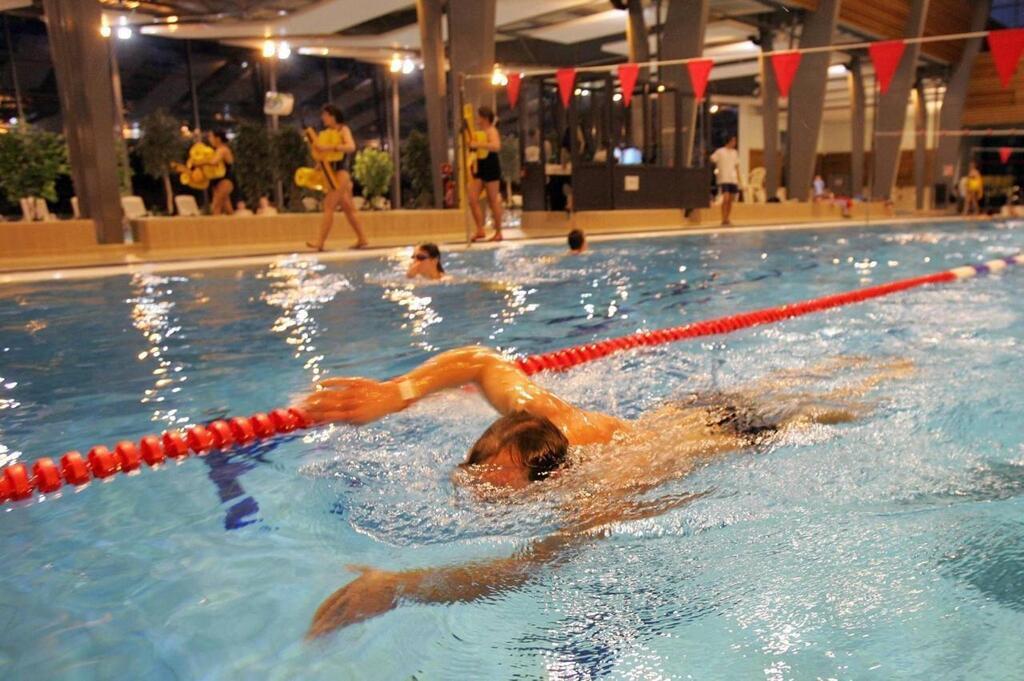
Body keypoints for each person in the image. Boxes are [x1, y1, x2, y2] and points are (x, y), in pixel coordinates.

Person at [300, 347, 913, 637]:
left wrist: (399, 588)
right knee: (793, 379)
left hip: (738, 439)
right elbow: (482, 361)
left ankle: (896, 374)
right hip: (687, 410)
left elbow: (519, 574)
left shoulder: (597, 494)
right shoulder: (538, 415)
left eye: (500, 490)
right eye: (475, 475)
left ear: (554, 480)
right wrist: (396, 393)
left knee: (836, 407)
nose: (479, 494)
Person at [307, 104, 369, 251]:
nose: (323, 118)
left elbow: (351, 146)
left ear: (333, 116)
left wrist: (329, 148)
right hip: (331, 172)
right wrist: (318, 167)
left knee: (328, 206)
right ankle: (362, 238)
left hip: (341, 172)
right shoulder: (327, 133)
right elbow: (324, 155)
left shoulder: (343, 130)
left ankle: (320, 242)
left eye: (325, 115)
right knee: (349, 208)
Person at [468, 106, 504, 242]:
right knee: (472, 198)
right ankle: (480, 229)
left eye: (478, 117)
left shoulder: (491, 131)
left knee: (492, 200)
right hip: (480, 165)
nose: (476, 119)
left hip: (491, 165)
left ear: (484, 118)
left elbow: (496, 146)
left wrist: (478, 144)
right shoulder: (481, 132)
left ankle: (499, 232)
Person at [710, 136, 741, 226]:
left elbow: (737, 166)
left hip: (733, 178)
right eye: (733, 141)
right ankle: (723, 218)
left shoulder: (735, 153)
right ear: (729, 141)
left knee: (730, 200)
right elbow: (712, 159)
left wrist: (739, 180)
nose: (735, 143)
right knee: (726, 198)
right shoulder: (720, 151)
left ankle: (727, 218)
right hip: (724, 178)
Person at [206, 129, 235, 216]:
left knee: (216, 206)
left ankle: (214, 228)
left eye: (211, 137)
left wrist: (199, 161)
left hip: (225, 180)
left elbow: (213, 162)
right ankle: (235, 227)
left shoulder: (223, 150)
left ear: (217, 138)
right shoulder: (215, 150)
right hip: (216, 181)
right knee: (227, 208)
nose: (209, 139)